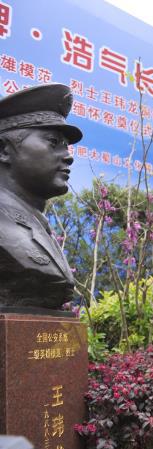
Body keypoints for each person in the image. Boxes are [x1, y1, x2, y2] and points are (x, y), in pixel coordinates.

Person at [0, 83, 83, 309]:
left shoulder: (36, 224)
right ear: (4, 150)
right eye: (53, 143)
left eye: (66, 146)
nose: (68, 157)